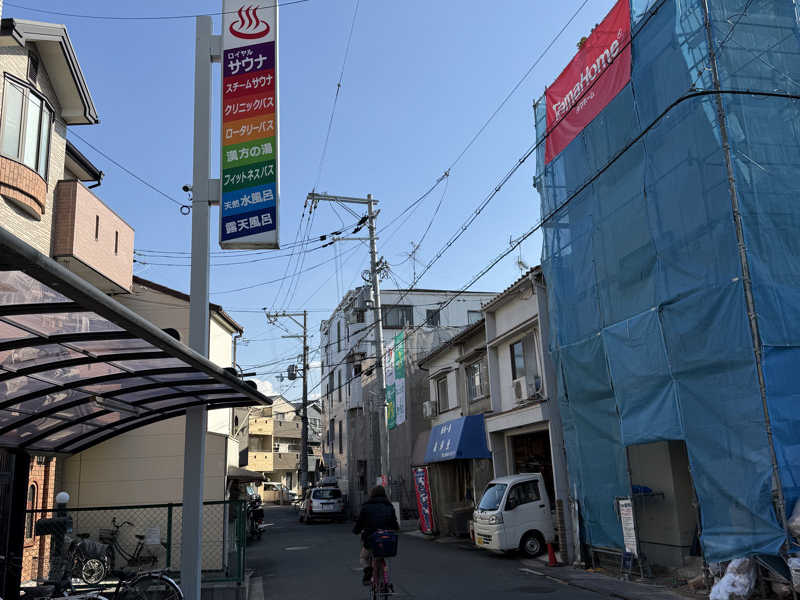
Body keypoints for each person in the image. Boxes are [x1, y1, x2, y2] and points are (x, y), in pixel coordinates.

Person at [353, 485, 399, 585]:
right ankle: (384, 579)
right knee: (382, 554)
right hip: (387, 539)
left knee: (363, 557)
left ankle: (368, 571)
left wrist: (356, 530)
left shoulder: (366, 507)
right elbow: (395, 524)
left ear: (372, 494)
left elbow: (359, 523)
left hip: (372, 538)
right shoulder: (389, 506)